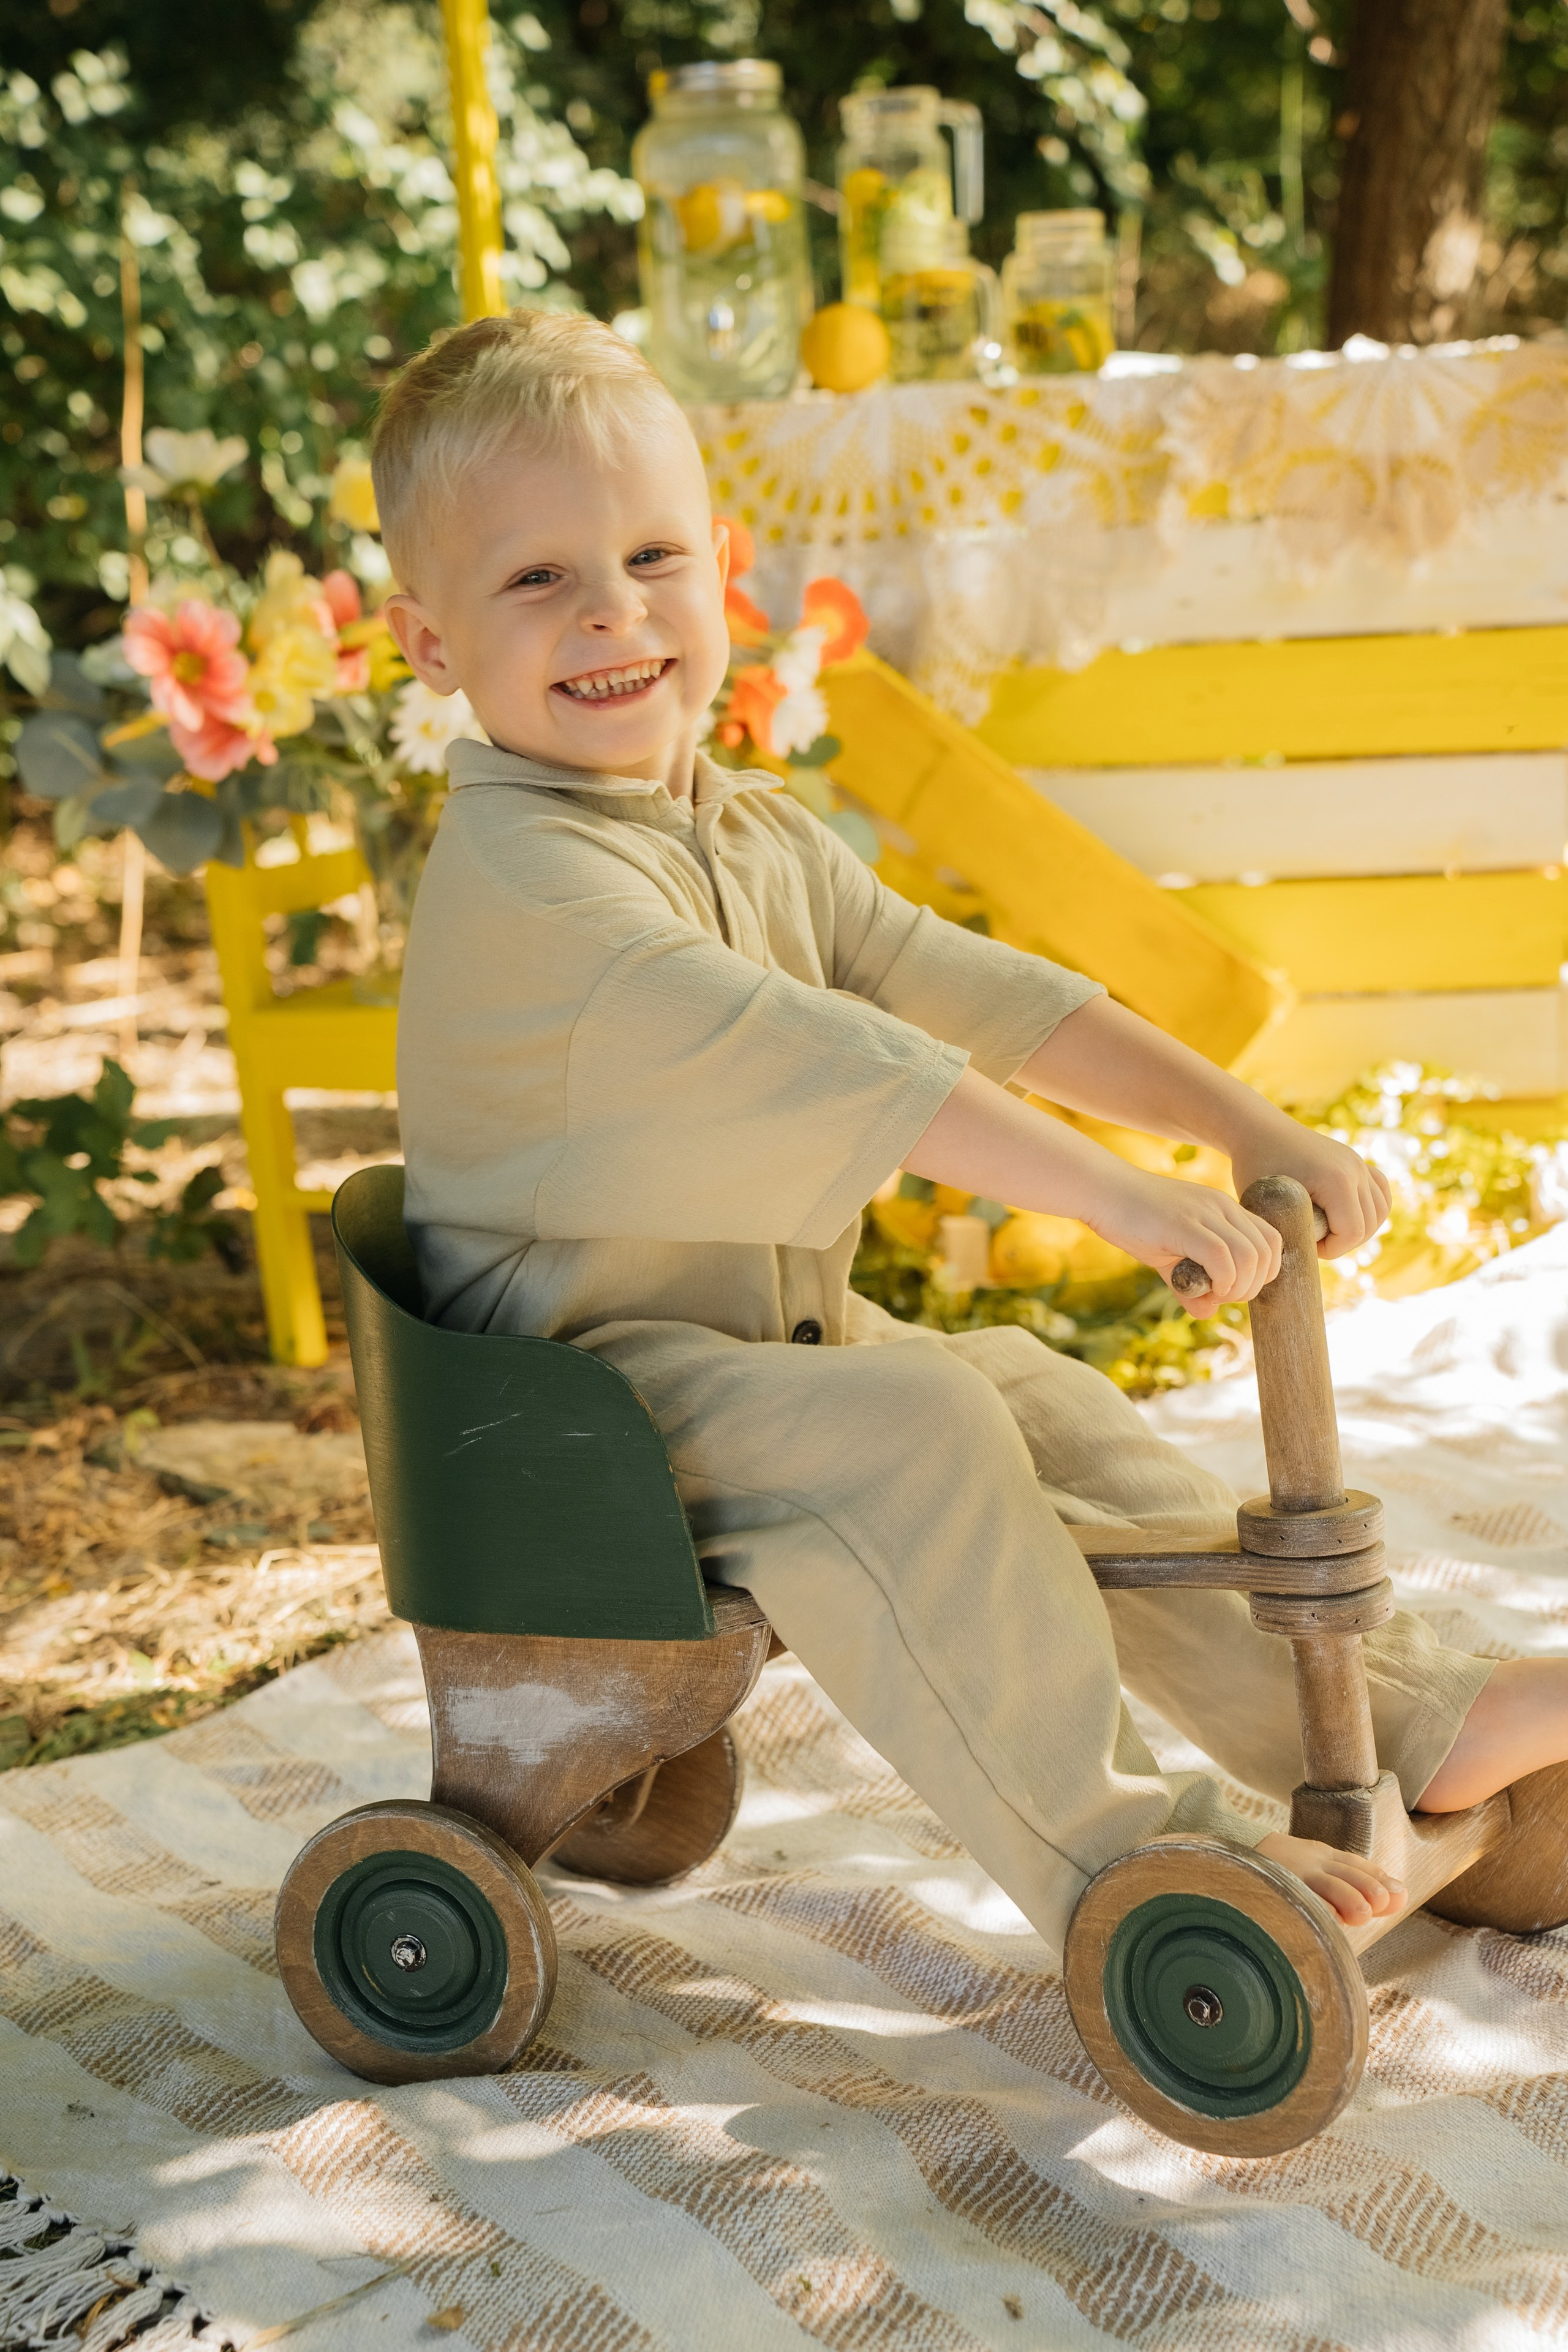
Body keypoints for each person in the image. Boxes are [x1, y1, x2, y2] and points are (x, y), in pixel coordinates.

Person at [375, 307, 1564, 1954]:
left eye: (652, 556)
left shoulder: (734, 828)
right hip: (569, 1423)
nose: (611, 611)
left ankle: (1404, 1721)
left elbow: (963, 987)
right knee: (920, 1421)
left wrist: (1239, 1121)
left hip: (725, 1359)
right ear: (428, 642)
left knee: (1030, 1394)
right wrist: (1119, 1198)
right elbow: (845, 1061)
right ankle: (1131, 1855)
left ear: (722, 565)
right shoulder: (537, 888)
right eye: (535, 580)